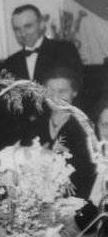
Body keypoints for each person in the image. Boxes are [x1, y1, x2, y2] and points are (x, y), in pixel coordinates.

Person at [32, 67, 95, 201]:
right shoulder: (35, 124)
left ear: (74, 92)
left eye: (63, 91)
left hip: (75, 199)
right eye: (51, 91)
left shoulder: (85, 126)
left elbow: (88, 171)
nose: (56, 97)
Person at [2, 3, 82, 83]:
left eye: (28, 26)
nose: (23, 34)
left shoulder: (64, 50)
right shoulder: (10, 63)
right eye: (17, 29)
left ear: (41, 24)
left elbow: (74, 85)